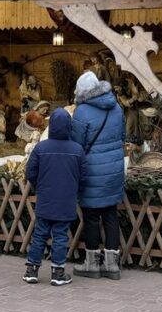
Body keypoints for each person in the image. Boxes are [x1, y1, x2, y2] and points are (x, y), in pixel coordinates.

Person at [70, 71, 126, 280]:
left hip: (92, 171)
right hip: (114, 169)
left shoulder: (81, 111)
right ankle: (112, 265)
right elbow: (122, 136)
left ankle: (92, 264)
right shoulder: (117, 107)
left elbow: (77, 145)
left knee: (91, 217)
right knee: (111, 214)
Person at [23, 108, 85, 286]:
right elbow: (84, 175)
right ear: (69, 127)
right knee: (60, 236)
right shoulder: (77, 149)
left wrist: (39, 186)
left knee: (40, 234)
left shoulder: (41, 148)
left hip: (45, 198)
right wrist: (74, 188)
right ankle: (58, 273)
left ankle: (31, 271)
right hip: (66, 200)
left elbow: (30, 172)